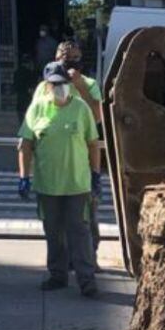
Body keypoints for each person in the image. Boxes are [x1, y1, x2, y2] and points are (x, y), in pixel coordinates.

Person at [17, 61, 100, 296]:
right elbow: (25, 145)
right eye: (54, 84)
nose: (59, 87)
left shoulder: (81, 109)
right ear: (46, 85)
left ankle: (87, 280)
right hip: (47, 185)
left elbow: (93, 144)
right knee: (53, 232)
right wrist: (24, 177)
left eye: (63, 83)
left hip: (76, 184)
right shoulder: (37, 109)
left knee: (79, 232)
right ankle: (57, 275)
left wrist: (95, 174)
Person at [54, 39, 105, 267]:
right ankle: (65, 262)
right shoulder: (48, 84)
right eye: (67, 59)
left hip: (83, 162)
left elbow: (97, 115)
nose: (71, 63)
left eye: (76, 58)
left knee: (87, 215)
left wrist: (80, 86)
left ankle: (89, 260)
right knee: (59, 218)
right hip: (56, 163)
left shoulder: (89, 83)